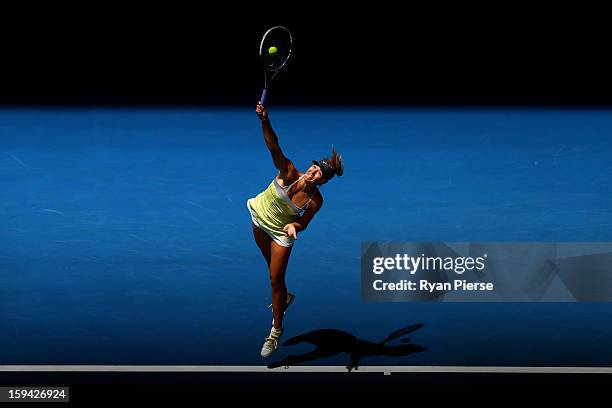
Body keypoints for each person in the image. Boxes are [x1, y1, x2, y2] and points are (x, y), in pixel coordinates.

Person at [247, 102, 344, 357]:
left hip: (281, 232)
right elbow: (273, 146)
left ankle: (275, 332)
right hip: (259, 218)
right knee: (272, 272)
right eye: (314, 168)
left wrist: (294, 225)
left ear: (323, 181)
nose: (313, 173)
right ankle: (285, 297)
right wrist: (264, 121)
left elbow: (304, 223)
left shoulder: (315, 201)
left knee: (275, 280)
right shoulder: (288, 171)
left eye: (319, 174)